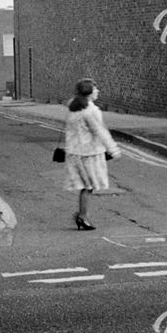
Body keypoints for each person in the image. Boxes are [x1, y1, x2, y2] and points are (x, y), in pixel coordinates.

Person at [63, 78, 120, 230]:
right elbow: (99, 130)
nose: (97, 91)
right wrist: (113, 148)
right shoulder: (90, 111)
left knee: (86, 186)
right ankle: (82, 217)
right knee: (88, 186)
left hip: (75, 153)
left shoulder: (73, 108)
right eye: (95, 89)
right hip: (88, 154)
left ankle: (82, 215)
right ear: (88, 92)